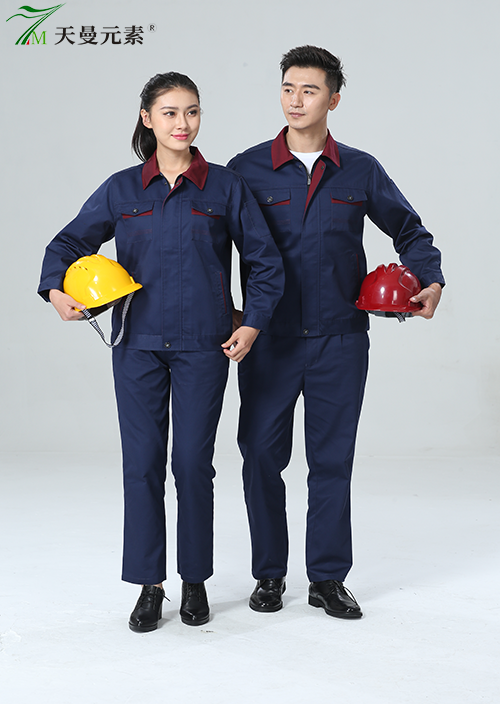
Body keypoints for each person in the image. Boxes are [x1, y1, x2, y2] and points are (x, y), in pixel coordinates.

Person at [38, 72, 284, 632]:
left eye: (192, 111)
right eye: (170, 112)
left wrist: (252, 324)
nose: (182, 123)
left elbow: (265, 261)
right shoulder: (122, 189)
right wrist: (56, 290)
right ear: (147, 119)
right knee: (143, 465)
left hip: (204, 346)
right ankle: (150, 585)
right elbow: (68, 243)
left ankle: (194, 579)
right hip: (137, 345)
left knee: (193, 464)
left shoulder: (224, 187)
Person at [227, 46, 444, 619]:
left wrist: (429, 280)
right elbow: (210, 244)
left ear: (334, 99)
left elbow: (409, 231)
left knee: (331, 462)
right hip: (269, 340)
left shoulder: (360, 169)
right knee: (260, 457)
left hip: (339, 340)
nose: (296, 100)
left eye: (310, 90)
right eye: (288, 88)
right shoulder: (245, 169)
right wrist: (229, 311)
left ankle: (326, 578)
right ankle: (269, 574)